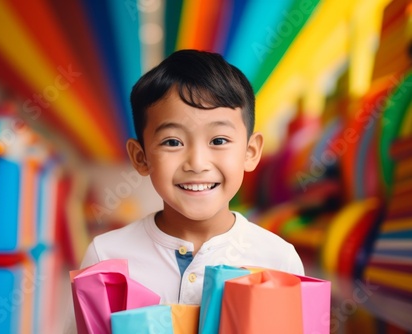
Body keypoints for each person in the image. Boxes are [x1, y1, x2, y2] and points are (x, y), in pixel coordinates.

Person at [80, 49, 304, 305]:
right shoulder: (106, 258)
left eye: (219, 140)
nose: (197, 163)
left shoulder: (278, 260)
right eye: (173, 142)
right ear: (141, 157)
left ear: (250, 152)